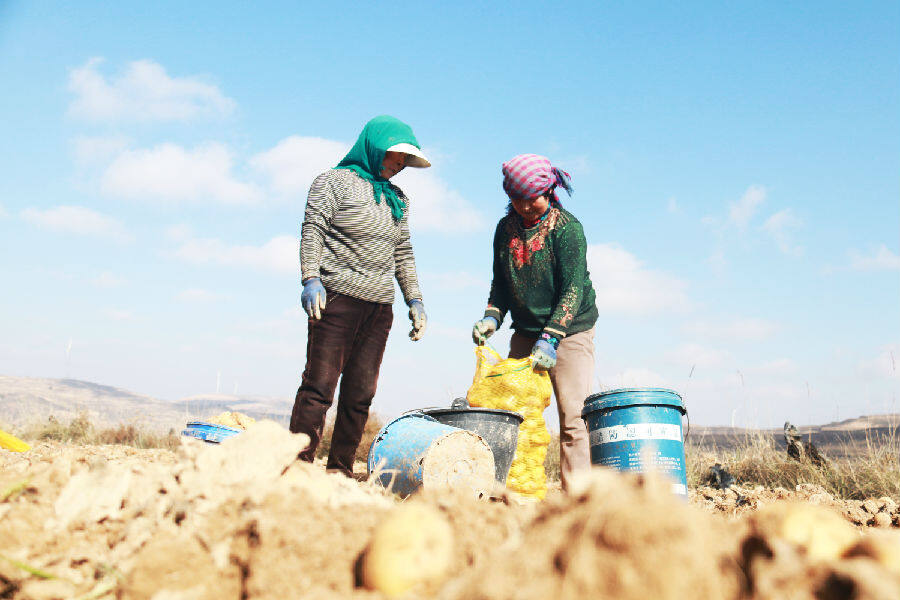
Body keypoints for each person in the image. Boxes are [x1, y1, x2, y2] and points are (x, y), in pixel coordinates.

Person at [290, 115, 430, 478]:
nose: (397, 167)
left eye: (403, 162)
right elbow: (313, 230)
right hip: (336, 299)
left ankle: (339, 470)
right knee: (319, 387)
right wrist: (310, 278)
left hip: (378, 308)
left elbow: (403, 252)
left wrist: (414, 299)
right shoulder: (332, 182)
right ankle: (299, 468)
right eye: (393, 157)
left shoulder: (399, 199)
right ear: (374, 147)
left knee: (360, 394)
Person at [471, 153, 599, 491]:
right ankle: (516, 490)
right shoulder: (505, 229)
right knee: (514, 414)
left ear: (549, 191)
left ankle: (578, 499)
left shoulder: (568, 229)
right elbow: (501, 283)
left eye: (532, 199)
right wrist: (491, 318)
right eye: (516, 199)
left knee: (573, 418)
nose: (525, 206)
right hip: (526, 331)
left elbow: (572, 289)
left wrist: (552, 338)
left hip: (570, 331)